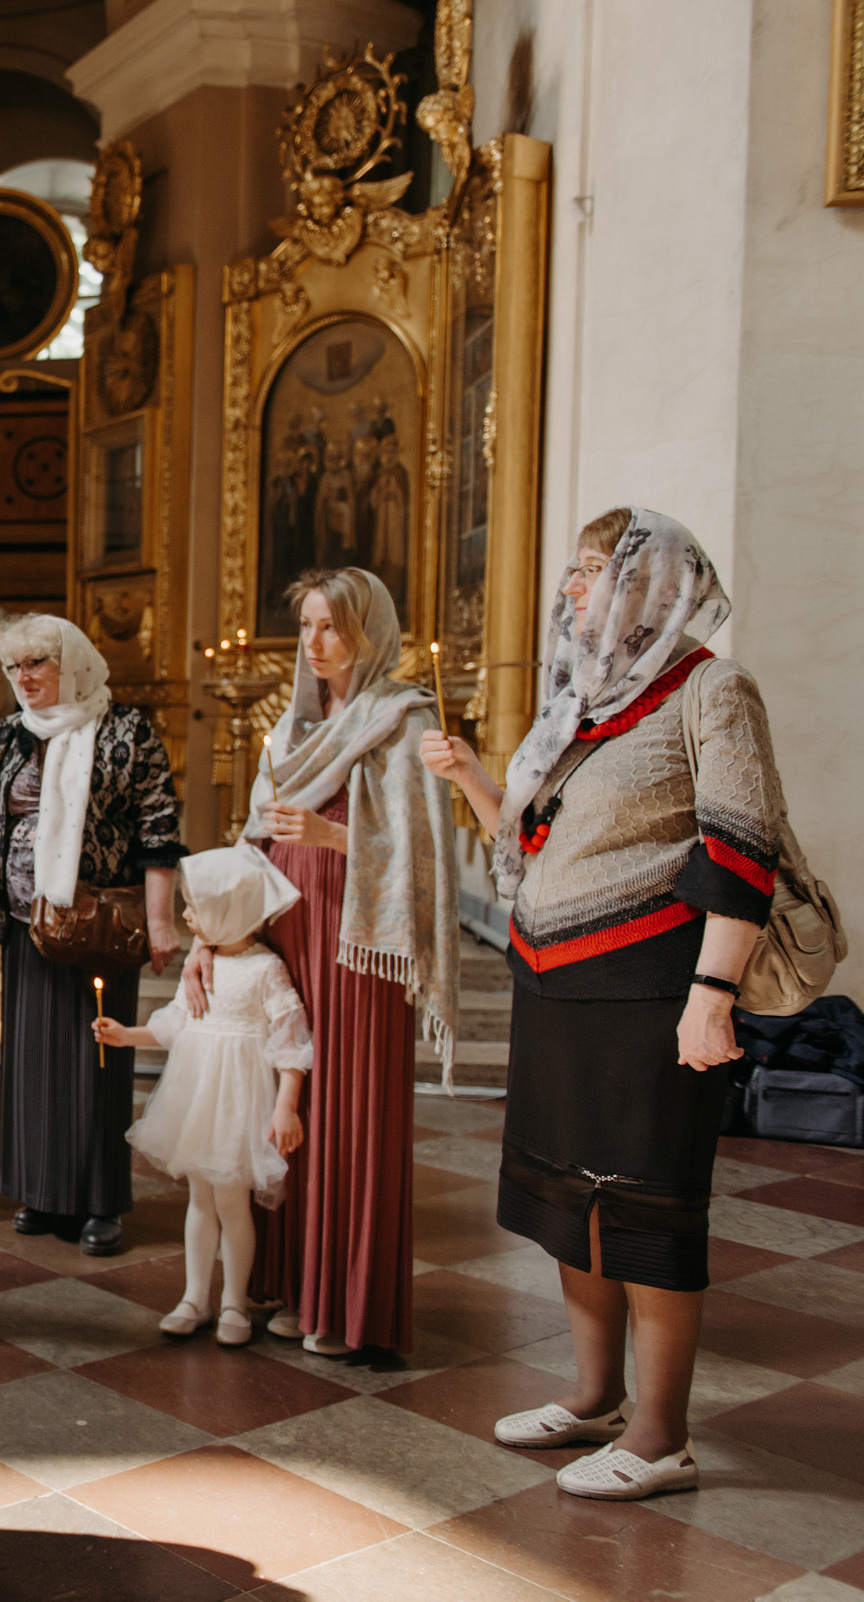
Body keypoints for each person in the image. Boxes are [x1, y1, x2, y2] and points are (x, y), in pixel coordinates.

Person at [422, 508, 778, 1501]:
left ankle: (663, 1440)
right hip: (555, 990)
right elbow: (530, 854)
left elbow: (743, 851)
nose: (571, 589)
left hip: (651, 994)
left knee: (644, 1211)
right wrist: (474, 781)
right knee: (563, 1201)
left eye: (589, 569)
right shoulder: (586, 703)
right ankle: (594, 1401)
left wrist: (712, 996)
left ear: (648, 580)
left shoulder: (712, 688)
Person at [185, 567, 457, 1357]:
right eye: (305, 626)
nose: (314, 643)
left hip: (360, 939)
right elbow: (250, 840)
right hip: (290, 932)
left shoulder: (403, 721)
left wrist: (337, 838)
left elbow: (427, 853)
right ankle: (286, 1284)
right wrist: (208, 937)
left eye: (331, 626)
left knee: (346, 1109)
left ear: (369, 632)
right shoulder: (293, 729)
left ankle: (344, 1303)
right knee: (279, 1104)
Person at [0, 612, 183, 1256]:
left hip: (98, 927)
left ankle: (99, 1200)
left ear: (75, 662)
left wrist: (163, 920)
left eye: (37, 663)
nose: (23, 678)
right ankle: (41, 1189)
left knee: (96, 1060)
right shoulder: (8, 735)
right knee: (33, 1065)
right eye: (14, 667)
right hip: (27, 924)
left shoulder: (125, 730)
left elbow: (159, 830)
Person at [100, 845, 311, 1346]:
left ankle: (235, 1302)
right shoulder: (202, 964)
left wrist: (286, 1105)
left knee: (234, 1203)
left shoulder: (266, 970)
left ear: (229, 913)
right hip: (197, 1099)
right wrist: (127, 1034)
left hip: (239, 1104)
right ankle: (195, 1297)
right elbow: (176, 1022)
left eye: (196, 907)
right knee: (200, 1199)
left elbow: (291, 1043)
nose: (187, 915)